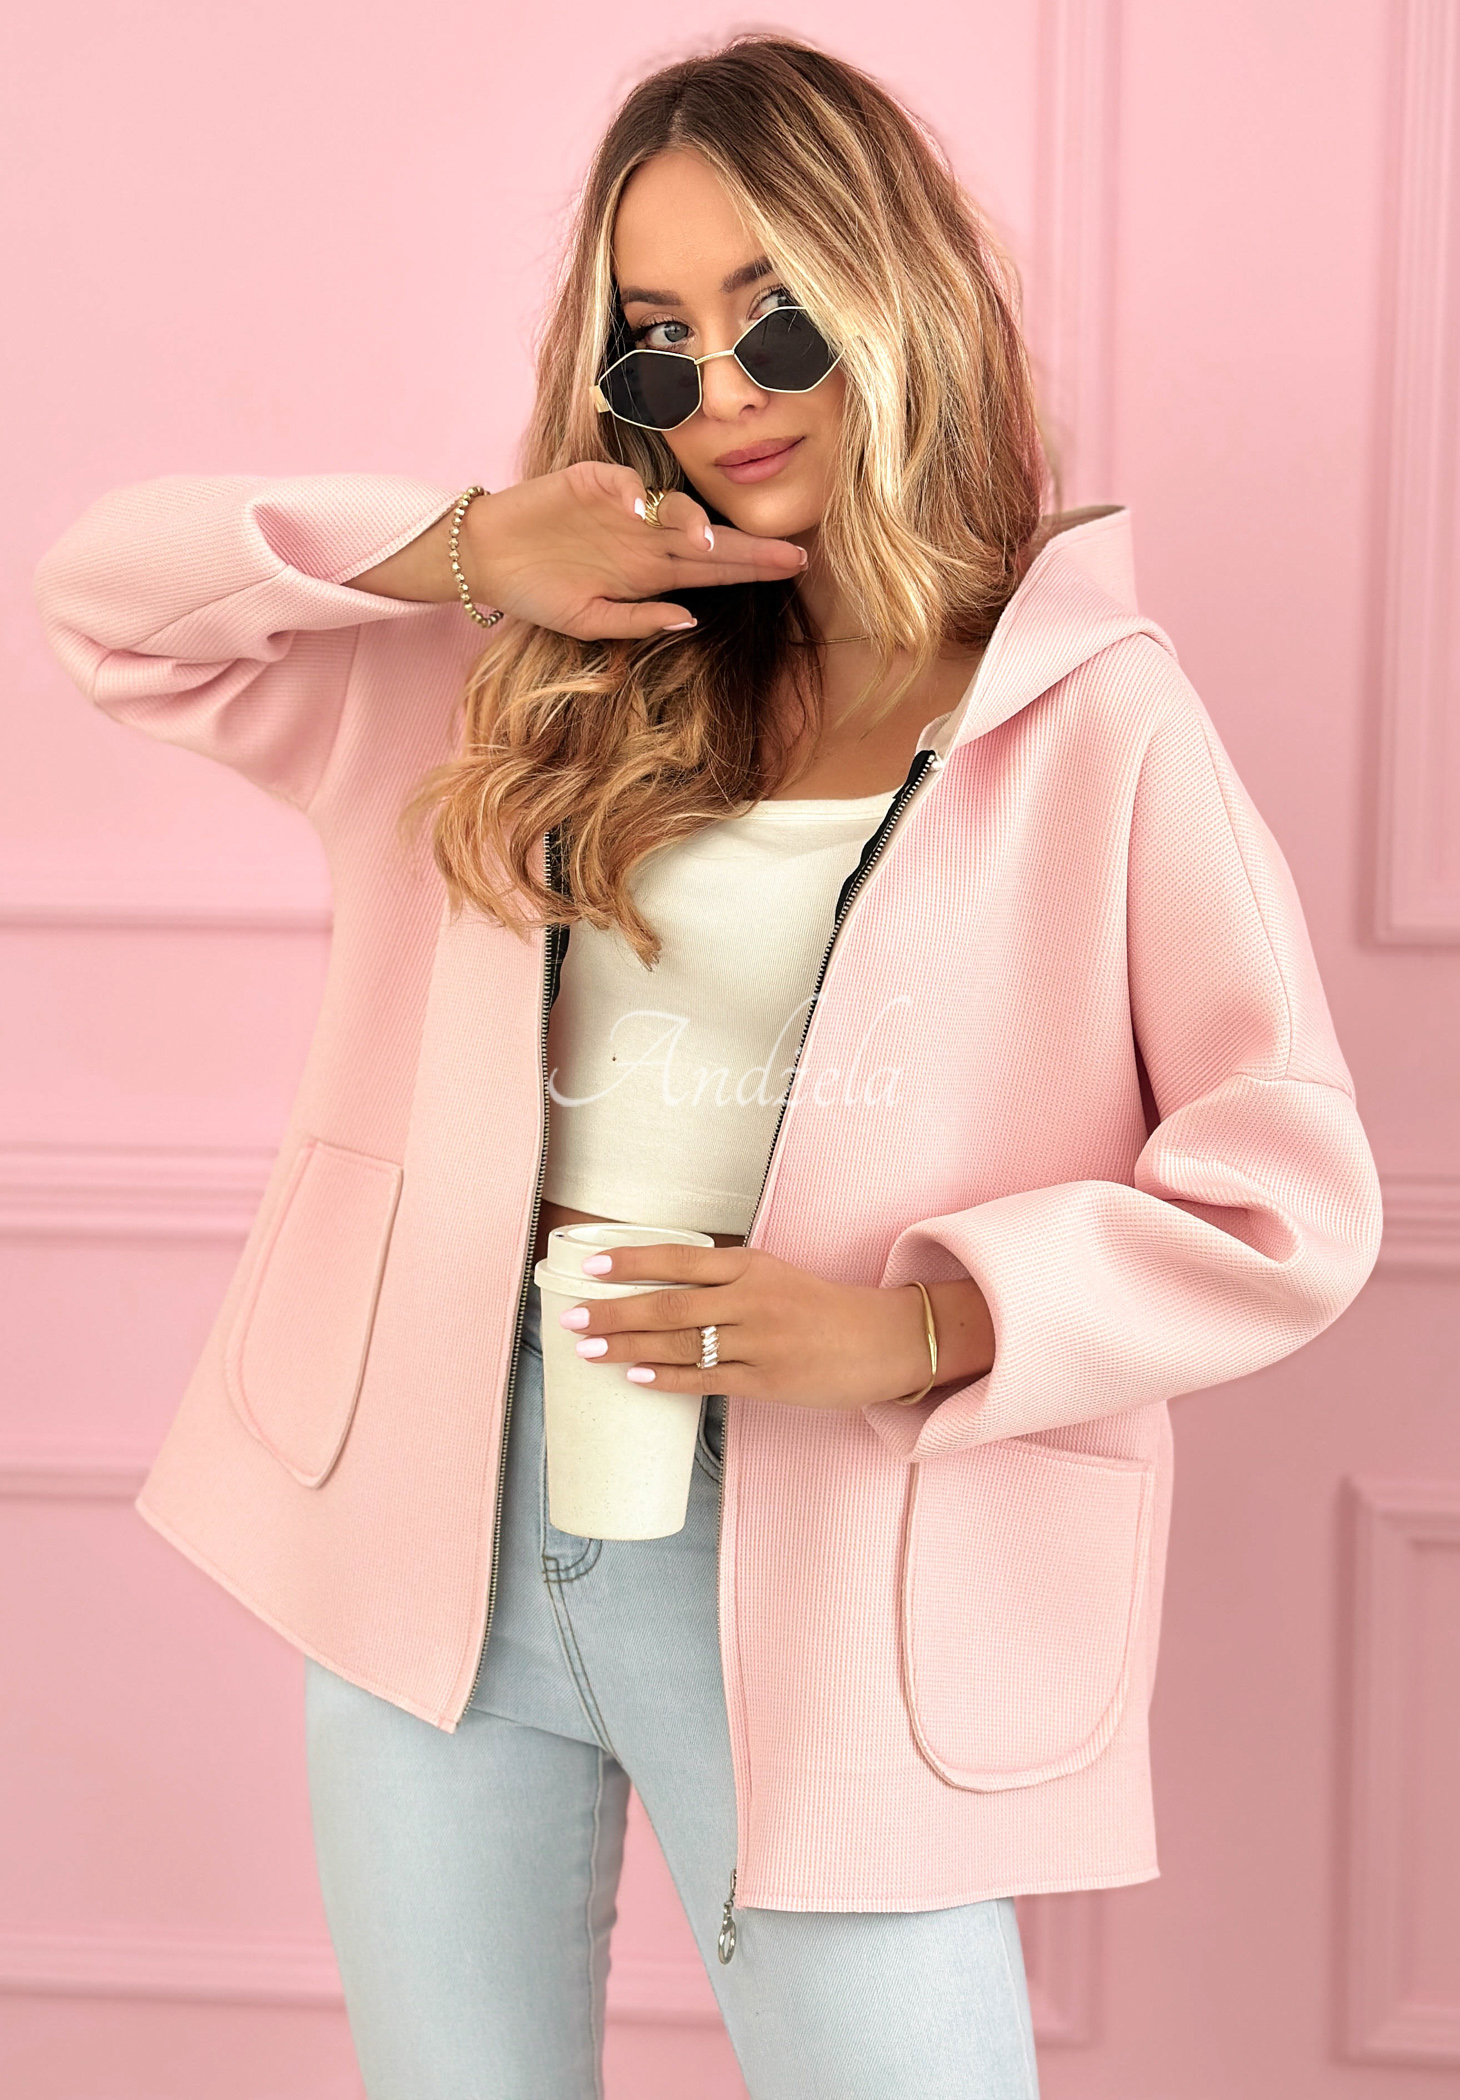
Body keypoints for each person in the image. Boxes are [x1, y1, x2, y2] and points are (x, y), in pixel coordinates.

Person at [33, 34, 1382, 2100]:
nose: (727, 391)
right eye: (657, 341)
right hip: (442, 1507)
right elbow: (112, 606)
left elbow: (1288, 1195)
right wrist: (472, 549)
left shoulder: (1090, 720)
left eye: (777, 319)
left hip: (824, 1536)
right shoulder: (525, 663)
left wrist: (916, 1329)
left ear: (897, 300)